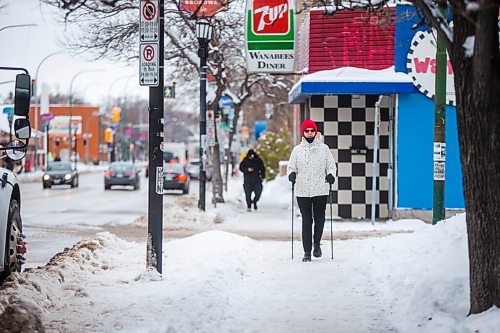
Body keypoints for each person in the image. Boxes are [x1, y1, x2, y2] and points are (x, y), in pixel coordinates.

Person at [287, 119, 337, 262]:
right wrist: (291, 174)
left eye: (312, 130)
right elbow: (291, 167)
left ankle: (317, 244)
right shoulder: (297, 150)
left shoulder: (324, 148)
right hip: (302, 190)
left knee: (319, 219)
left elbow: (331, 166)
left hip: (320, 189)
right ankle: (307, 252)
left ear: (316, 132)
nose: (309, 133)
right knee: (306, 220)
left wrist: (331, 175)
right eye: (307, 131)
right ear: (303, 132)